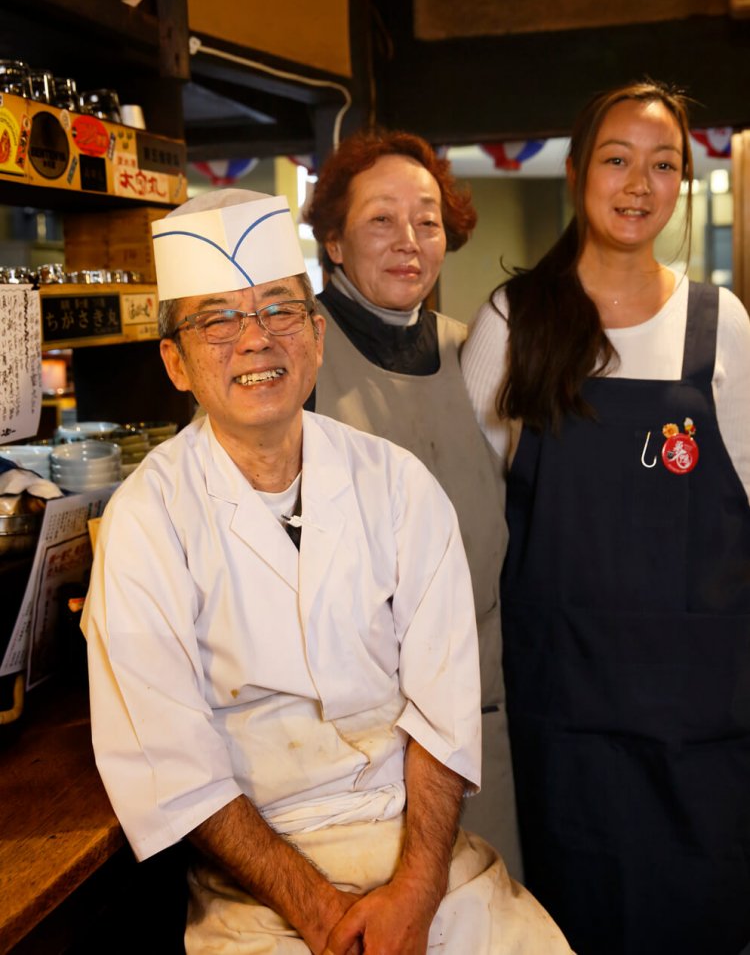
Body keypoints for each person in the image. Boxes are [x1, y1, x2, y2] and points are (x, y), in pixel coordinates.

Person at [82, 188, 573, 955]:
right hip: (259, 886)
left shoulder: (400, 486)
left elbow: (443, 715)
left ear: (315, 336)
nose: (256, 340)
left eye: (280, 310)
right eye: (217, 320)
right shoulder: (146, 521)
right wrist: (321, 916)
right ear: (176, 362)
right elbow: (175, 770)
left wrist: (414, 892)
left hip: (422, 854)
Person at [461, 79, 750, 955]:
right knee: (571, 919)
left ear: (682, 184)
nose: (638, 184)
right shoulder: (517, 320)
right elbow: (473, 510)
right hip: (566, 706)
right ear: (578, 172)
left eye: (662, 165)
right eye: (617, 160)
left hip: (701, 710)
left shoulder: (720, 324)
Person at [302, 130, 521, 875]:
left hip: (480, 713)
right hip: (349, 739)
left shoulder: (480, 353)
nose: (409, 240)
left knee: (490, 911)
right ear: (334, 241)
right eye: (380, 220)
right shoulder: (296, 360)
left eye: (427, 221)